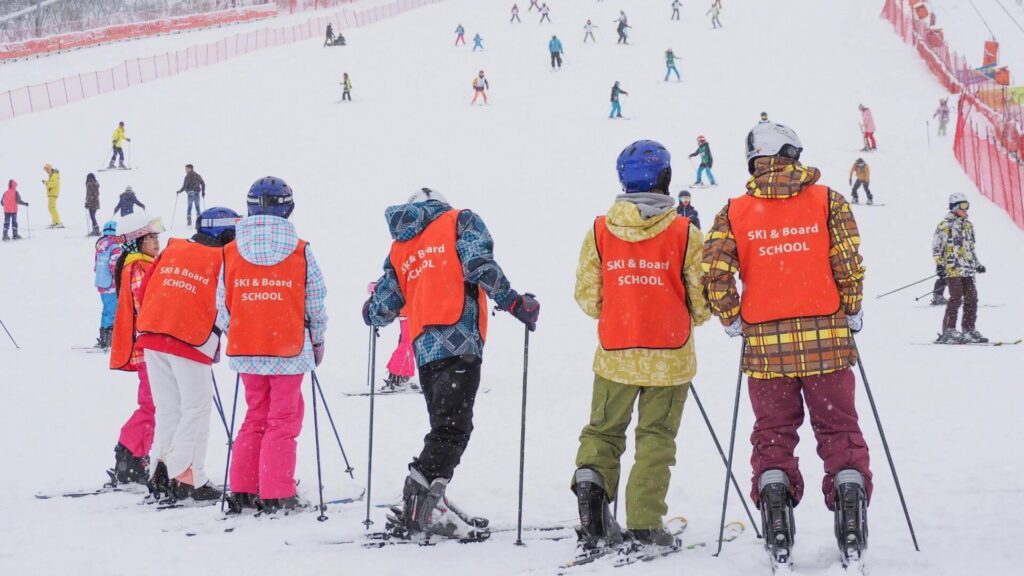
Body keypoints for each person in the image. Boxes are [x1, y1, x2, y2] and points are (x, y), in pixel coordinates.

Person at [702, 121, 871, 567]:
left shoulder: (734, 211)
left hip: (766, 350)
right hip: (827, 343)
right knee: (839, 429)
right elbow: (848, 261)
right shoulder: (828, 201)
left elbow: (714, 271)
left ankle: (775, 501)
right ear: (792, 153)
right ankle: (849, 498)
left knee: (773, 432)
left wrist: (731, 316)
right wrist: (852, 308)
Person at [363, 187, 539, 539]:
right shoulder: (459, 220)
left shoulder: (401, 246)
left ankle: (432, 500)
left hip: (424, 347)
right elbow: (477, 264)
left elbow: (385, 302)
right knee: (453, 428)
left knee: (444, 425)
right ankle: (421, 501)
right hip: (460, 340)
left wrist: (371, 312)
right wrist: (513, 301)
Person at [571, 140, 709, 553]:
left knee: (603, 431)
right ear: (665, 178)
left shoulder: (600, 231)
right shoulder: (685, 232)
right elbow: (701, 303)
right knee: (656, 437)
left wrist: (624, 309)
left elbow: (588, 298)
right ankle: (646, 524)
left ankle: (593, 498)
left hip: (616, 353)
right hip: (669, 355)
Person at [219, 177, 328, 513]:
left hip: (247, 348)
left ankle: (244, 487)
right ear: (288, 208)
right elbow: (315, 302)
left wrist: (243, 331)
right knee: (283, 419)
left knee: (255, 416)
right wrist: (317, 340)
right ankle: (277, 491)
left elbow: (223, 306)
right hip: (289, 349)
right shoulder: (300, 250)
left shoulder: (230, 251)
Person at [137, 207, 240, 503]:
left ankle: (160, 470)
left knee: (169, 408)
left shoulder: (173, 247)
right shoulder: (223, 258)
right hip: (189, 339)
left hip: (153, 333)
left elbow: (144, 291)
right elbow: (229, 303)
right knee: (196, 408)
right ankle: (187, 477)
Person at [109, 212, 166, 485]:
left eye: (157, 237)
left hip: (149, 348)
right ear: (136, 242)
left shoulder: (143, 265)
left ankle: (134, 456)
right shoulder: (139, 269)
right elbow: (148, 307)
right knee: (152, 405)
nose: (157, 242)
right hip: (148, 349)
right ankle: (129, 454)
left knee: (153, 404)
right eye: (151, 238)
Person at [933, 193, 987, 344]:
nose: (966, 209)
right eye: (963, 206)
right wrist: (939, 264)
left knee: (972, 298)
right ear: (954, 207)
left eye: (967, 205)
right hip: (952, 268)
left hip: (968, 269)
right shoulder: (944, 226)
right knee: (956, 297)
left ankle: (968, 329)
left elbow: (971, 249)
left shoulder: (968, 226)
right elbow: (936, 248)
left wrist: (977, 264)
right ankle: (949, 330)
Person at [93, 220, 121, 349]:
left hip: (101, 283)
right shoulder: (115, 247)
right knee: (112, 311)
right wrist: (119, 278)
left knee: (106, 310)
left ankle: (103, 336)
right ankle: (110, 339)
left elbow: (96, 265)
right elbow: (114, 266)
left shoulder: (100, 245)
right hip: (111, 285)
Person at [382, 317, 418, 392]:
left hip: (410, 315)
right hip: (409, 315)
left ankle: (400, 376)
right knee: (407, 344)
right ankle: (400, 377)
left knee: (407, 344)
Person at [43, 163, 62, 228]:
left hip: (53, 194)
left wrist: (46, 183)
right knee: (50, 208)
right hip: (51, 194)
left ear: (49, 169)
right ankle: (55, 221)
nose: (46, 171)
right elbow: (51, 184)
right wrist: (47, 183)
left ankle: (57, 222)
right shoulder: (52, 175)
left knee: (52, 208)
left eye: (46, 170)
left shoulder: (55, 175)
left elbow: (53, 184)